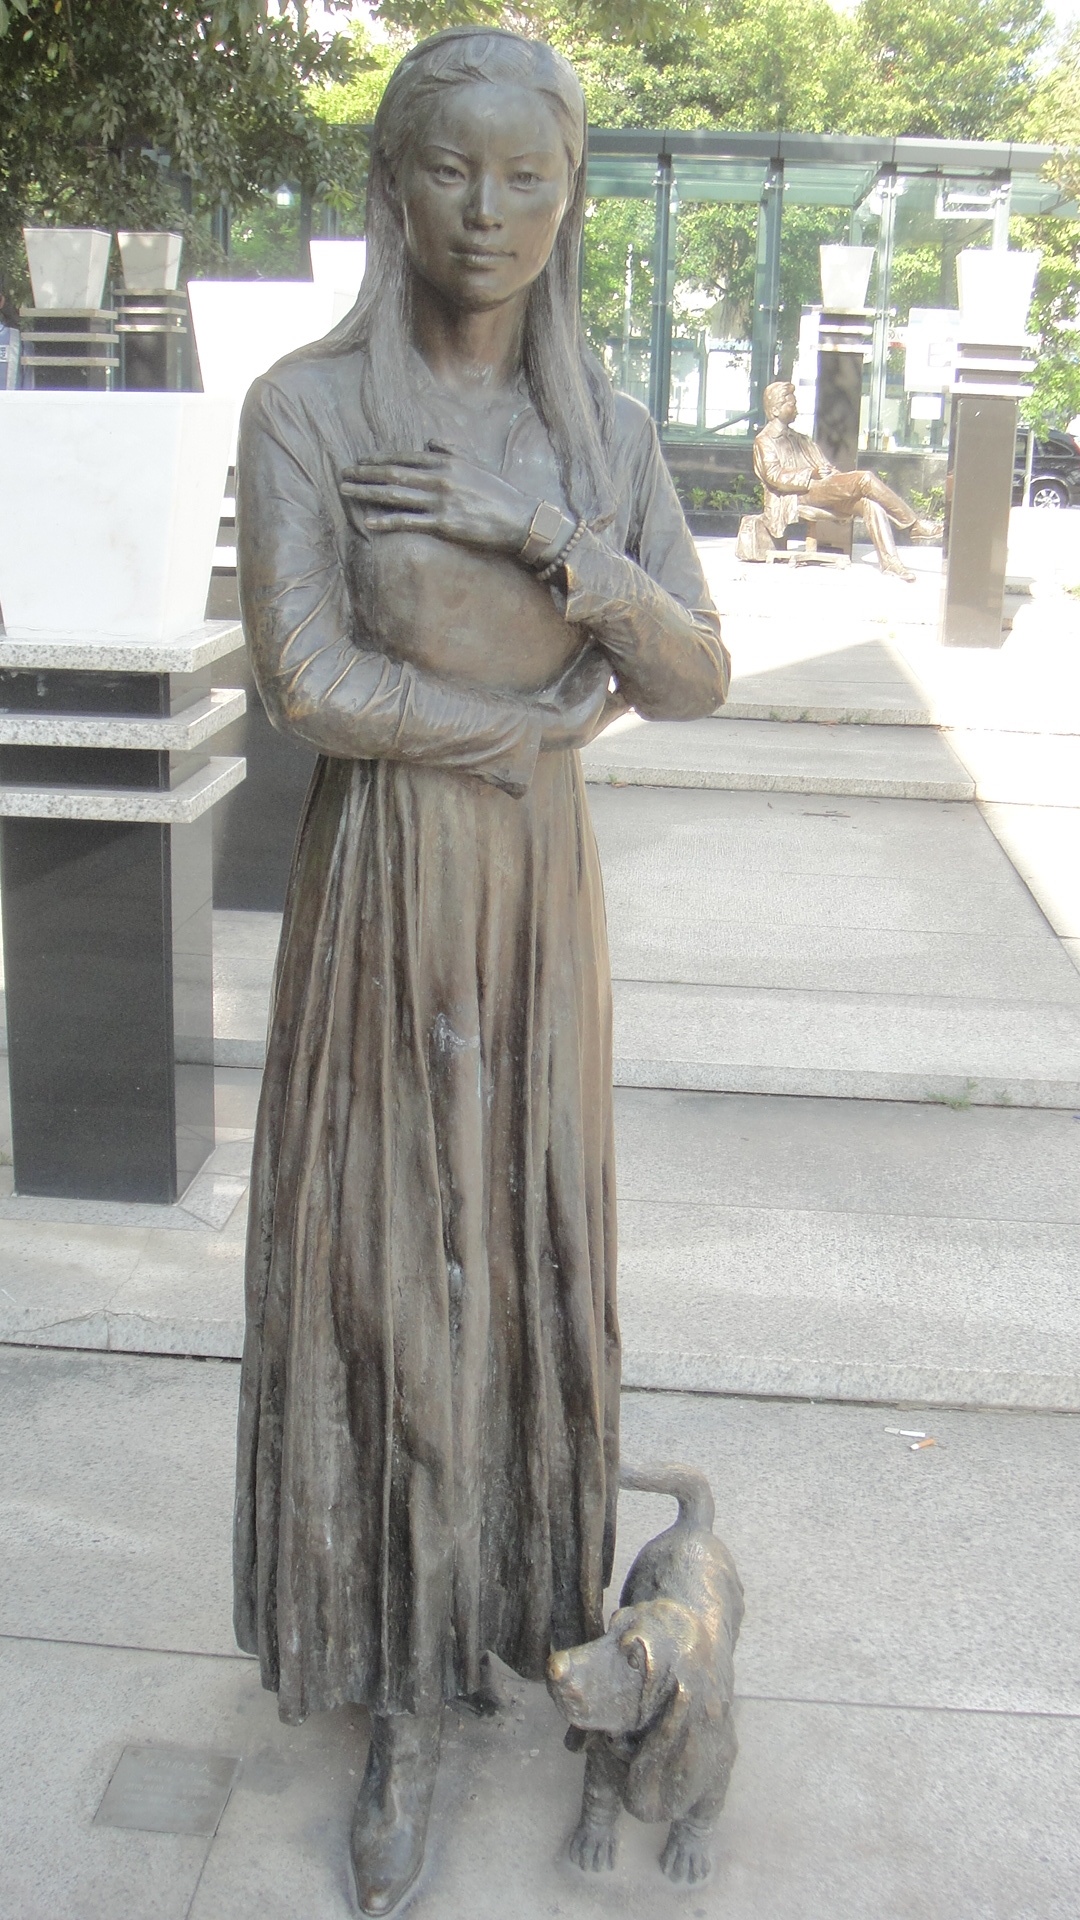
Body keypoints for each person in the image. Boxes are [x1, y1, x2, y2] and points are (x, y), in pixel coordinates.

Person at [232, 27, 729, 1917]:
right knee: (386, 1256)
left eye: (531, 178)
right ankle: (401, 1685)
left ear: (571, 196)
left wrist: (552, 545)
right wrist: (524, 729)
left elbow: (693, 671)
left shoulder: (599, 431)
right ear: (394, 184)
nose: (492, 213)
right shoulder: (307, 410)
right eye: (453, 171)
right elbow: (308, 679)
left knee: (525, 1241)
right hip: (387, 883)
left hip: (536, 903)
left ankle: (521, 1601)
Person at [747, 379, 937, 580]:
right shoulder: (764, 440)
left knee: (870, 504)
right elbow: (774, 476)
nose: (797, 409)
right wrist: (811, 473)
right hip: (794, 496)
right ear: (775, 410)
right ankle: (913, 525)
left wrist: (832, 475)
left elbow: (825, 467)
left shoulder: (802, 439)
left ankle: (890, 562)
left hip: (820, 490)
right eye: (792, 404)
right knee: (865, 478)